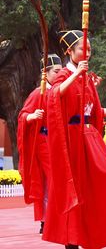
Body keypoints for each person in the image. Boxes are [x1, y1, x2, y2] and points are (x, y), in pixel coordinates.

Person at [44, 30, 106, 249]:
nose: (86, 53)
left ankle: (89, 234)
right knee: (76, 187)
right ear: (69, 51)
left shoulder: (85, 77)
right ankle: (72, 241)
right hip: (72, 139)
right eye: (81, 49)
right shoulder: (65, 74)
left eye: (89, 49)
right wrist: (77, 74)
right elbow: (54, 95)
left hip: (90, 137)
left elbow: (93, 112)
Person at [17, 54, 62, 234]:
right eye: (56, 72)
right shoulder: (39, 93)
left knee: (55, 181)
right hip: (45, 143)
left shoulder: (58, 90)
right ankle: (46, 219)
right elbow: (22, 115)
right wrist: (31, 116)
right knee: (50, 182)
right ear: (46, 73)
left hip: (58, 141)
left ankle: (55, 218)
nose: (59, 75)